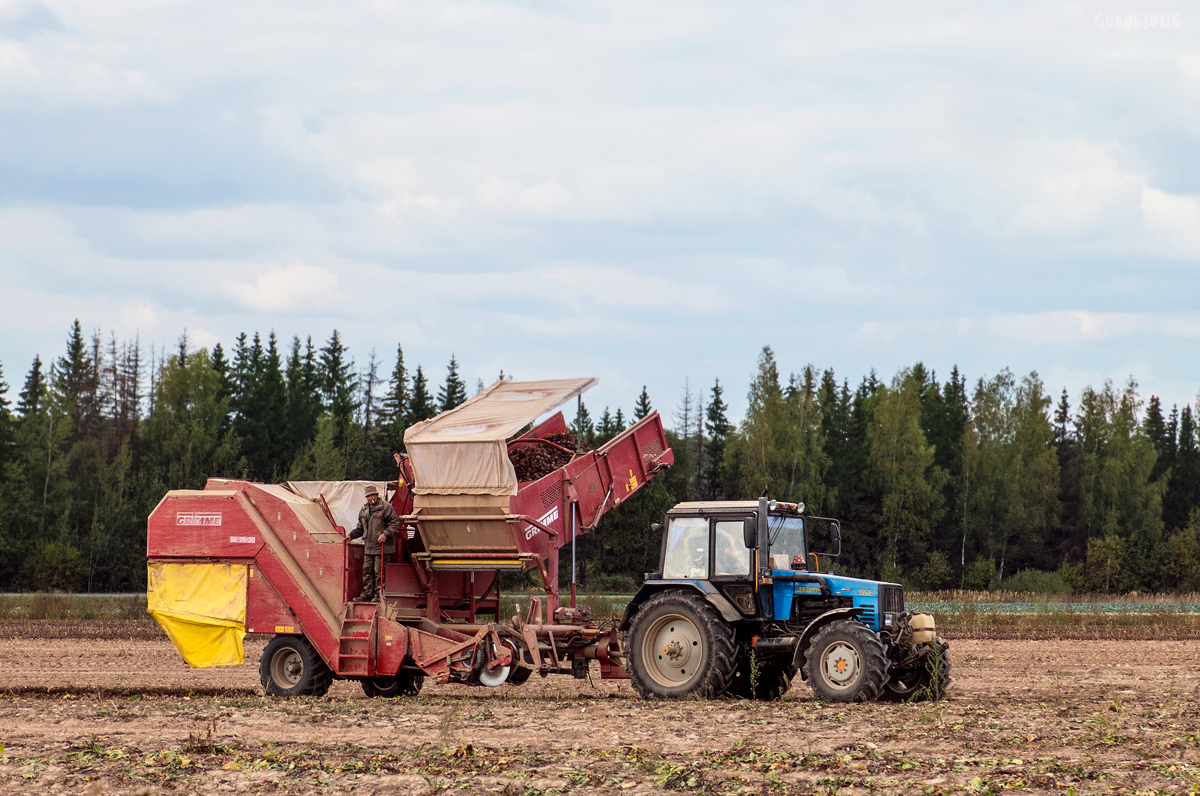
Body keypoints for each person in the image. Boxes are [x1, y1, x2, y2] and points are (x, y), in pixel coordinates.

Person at [346, 484, 400, 602]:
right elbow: (360, 528)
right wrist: (350, 536)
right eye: (368, 496)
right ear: (366, 497)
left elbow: (395, 523)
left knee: (379, 571)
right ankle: (367, 593)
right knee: (366, 571)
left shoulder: (386, 507)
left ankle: (378, 595)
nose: (371, 498)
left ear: (377, 495)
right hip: (369, 546)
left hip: (382, 547)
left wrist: (385, 533)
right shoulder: (364, 510)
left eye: (373, 495)